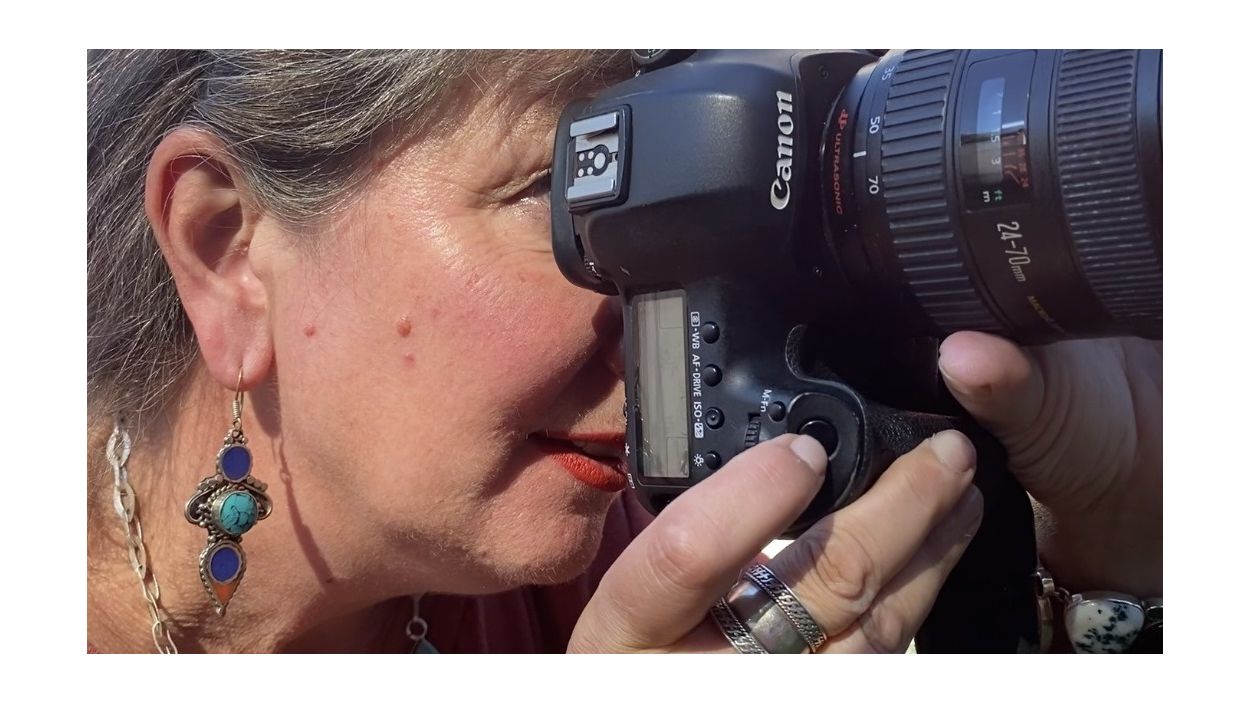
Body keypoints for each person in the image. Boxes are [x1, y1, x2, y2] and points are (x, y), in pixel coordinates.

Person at [87, 49, 1161, 653]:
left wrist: (1117, 545)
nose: (667, 284)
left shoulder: (652, 556)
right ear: (225, 249)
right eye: (581, 190)